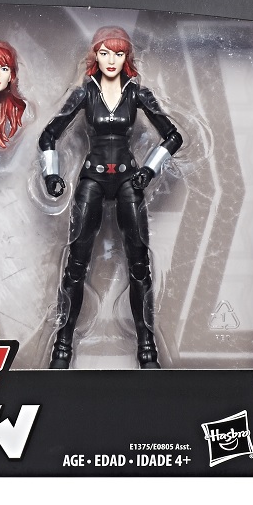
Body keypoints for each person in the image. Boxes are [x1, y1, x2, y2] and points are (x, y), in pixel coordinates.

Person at [38, 27, 182, 368]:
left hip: (129, 179)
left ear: (127, 57)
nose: (112, 60)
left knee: (139, 266)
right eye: (105, 53)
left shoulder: (137, 93)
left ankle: (147, 347)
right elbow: (48, 135)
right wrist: (51, 174)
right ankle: (62, 346)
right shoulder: (84, 93)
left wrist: (150, 169)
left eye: (118, 53)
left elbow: (173, 136)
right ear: (95, 56)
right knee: (75, 265)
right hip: (93, 177)